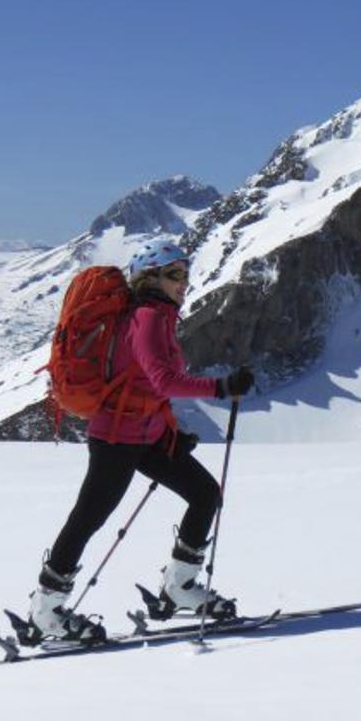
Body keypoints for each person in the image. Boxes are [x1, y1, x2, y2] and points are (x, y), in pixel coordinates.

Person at [27, 240, 255, 640]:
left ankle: (179, 587)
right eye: (175, 274)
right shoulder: (147, 317)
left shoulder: (159, 316)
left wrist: (169, 431)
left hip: (145, 434)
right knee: (89, 518)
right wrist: (222, 387)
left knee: (204, 494)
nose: (184, 282)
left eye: (185, 273)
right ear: (152, 278)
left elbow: (144, 384)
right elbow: (163, 380)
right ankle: (46, 610)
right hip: (116, 438)